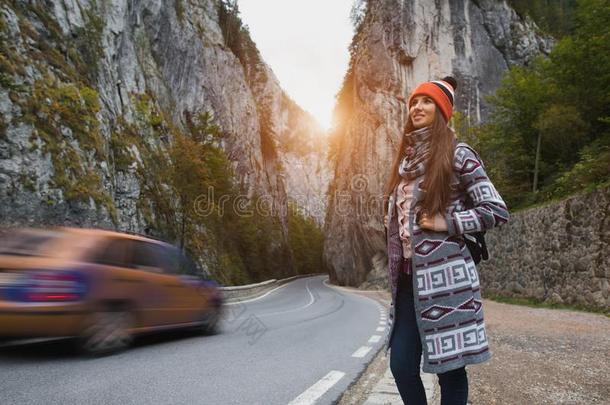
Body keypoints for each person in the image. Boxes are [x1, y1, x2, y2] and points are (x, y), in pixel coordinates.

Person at [382, 77, 510, 405]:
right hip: (408, 283)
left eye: (427, 102)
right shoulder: (404, 164)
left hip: (448, 282)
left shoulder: (458, 154)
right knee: (401, 365)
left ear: (442, 110)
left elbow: (495, 209)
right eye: (413, 102)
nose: (417, 108)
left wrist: (446, 221)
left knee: (450, 369)